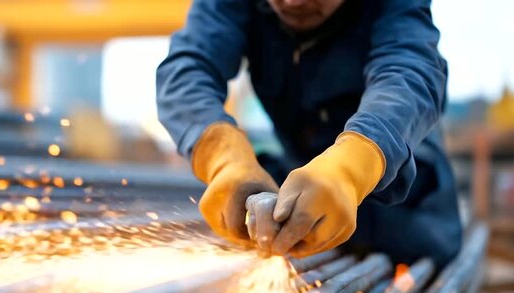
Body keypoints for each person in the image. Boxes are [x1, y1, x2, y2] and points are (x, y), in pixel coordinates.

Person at [156, 0, 462, 268]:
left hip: (405, 208)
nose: (292, 2)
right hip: (298, 182)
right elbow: (189, 71)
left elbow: (409, 74)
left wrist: (354, 165)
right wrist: (222, 157)